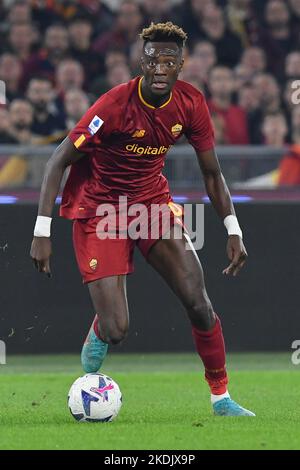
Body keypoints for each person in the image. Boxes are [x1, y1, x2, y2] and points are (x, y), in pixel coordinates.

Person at [30, 22, 254, 417]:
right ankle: (97, 347)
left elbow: (212, 174)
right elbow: (57, 160)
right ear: (142, 61)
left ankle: (221, 397)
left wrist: (232, 228)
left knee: (199, 303)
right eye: (153, 59)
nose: (161, 67)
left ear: (182, 64)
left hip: (151, 207)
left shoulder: (191, 103)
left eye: (170, 60)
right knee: (117, 329)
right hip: (101, 212)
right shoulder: (114, 105)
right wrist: (42, 230)